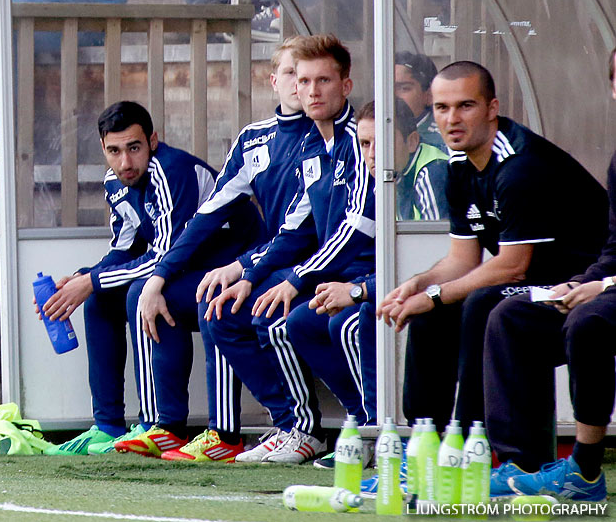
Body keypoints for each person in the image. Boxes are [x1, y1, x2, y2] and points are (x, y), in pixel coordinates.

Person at [377, 61, 607, 492]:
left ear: (492, 108)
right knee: (430, 313)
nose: (451, 119)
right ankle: (427, 447)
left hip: (580, 288)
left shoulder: (520, 166)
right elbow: (463, 260)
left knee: (484, 303)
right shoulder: (460, 165)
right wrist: (422, 283)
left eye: (465, 106)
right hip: (529, 285)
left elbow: (512, 265)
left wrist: (440, 293)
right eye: (442, 108)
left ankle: (477, 451)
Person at [116, 37, 313, 462]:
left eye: (313, 76)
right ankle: (164, 425)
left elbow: (301, 230)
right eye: (293, 74)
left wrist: (242, 267)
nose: (303, 85)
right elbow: (207, 213)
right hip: (261, 264)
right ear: (273, 80)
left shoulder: (328, 138)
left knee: (215, 300)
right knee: (149, 294)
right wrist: (159, 276)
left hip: (298, 266)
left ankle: (227, 432)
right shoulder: (254, 138)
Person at [39, 101, 243, 456]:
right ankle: (106, 427)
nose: (125, 162)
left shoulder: (170, 170)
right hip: (183, 272)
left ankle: (163, 426)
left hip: (228, 268)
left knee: (138, 293)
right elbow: (126, 249)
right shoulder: (114, 182)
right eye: (114, 151)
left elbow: (165, 254)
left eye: (134, 148)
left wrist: (93, 279)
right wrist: (82, 279)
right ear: (103, 148)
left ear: (152, 140)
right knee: (101, 296)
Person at [206, 34, 375, 464]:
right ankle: (291, 425)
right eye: (304, 81)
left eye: (324, 80)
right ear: (293, 87)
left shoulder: (362, 139)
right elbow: (296, 230)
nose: (313, 91)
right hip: (322, 270)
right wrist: (250, 275)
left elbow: (356, 229)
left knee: (285, 317)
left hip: (365, 272)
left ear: (346, 86)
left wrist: (294, 279)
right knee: (227, 309)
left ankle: (341, 429)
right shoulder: (313, 145)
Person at [482, 49, 616, 503]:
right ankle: (520, 462)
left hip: (612, 297)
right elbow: (614, 249)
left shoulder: (522, 164)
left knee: (590, 319)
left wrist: (605, 287)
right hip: (609, 287)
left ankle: (585, 469)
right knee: (512, 314)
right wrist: (581, 282)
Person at [287, 97, 449, 445]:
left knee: (351, 321)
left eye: (383, 142)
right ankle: (360, 422)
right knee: (302, 322)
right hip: (393, 284)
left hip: (437, 292)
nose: (372, 153)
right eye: (364, 143)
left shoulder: (429, 173)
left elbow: (437, 263)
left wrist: (360, 290)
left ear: (411, 142)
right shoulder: (386, 177)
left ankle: (384, 433)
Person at [394, 51, 446, 151]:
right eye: (386, 89)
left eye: (404, 88)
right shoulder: (371, 133)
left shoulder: (440, 142)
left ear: (429, 95)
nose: (393, 96)